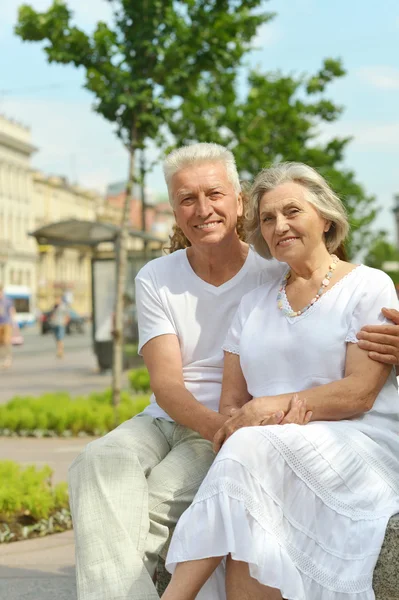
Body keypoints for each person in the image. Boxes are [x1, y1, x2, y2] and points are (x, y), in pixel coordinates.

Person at [68, 144, 399, 600]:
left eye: (214, 195)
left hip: (274, 433)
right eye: (187, 199)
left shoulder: (277, 270)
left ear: (238, 201)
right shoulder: (178, 281)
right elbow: (169, 386)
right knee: (96, 461)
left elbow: (358, 379)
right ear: (174, 210)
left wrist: (248, 422)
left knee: (163, 499)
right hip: (195, 422)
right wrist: (232, 426)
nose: (203, 210)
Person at [163, 162, 399, 600]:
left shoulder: (368, 286)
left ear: (326, 218)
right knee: (251, 509)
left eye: (292, 211)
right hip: (271, 447)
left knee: (250, 448)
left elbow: (360, 393)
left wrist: (268, 408)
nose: (279, 225)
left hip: (357, 440)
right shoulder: (253, 303)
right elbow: (232, 405)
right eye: (268, 218)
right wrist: (255, 417)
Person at [49, 294, 70, 358]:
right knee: (57, 339)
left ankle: (61, 352)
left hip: (61, 324)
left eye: (58, 299)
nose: (56, 300)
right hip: (55, 324)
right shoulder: (54, 306)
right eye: (56, 299)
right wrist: (51, 319)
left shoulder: (63, 306)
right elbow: (52, 314)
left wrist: (65, 322)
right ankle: (59, 351)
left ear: (60, 299)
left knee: (60, 338)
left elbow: (67, 316)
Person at [0, 283, 15, 368]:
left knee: (6, 341)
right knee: (1, 342)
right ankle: (3, 359)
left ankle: (8, 358)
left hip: (7, 323)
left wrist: (14, 323)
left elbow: (12, 311)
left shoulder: (7, 300)